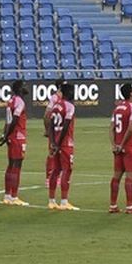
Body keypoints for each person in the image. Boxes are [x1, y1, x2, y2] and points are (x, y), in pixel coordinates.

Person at [109, 83, 132, 215]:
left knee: (116, 176)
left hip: (117, 148)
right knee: (130, 176)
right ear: (130, 93)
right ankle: (130, 207)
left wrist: (114, 144)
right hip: (128, 146)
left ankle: (113, 205)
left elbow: (111, 128)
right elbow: (130, 127)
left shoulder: (117, 108)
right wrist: (122, 144)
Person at [45, 81, 77, 211]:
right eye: (72, 91)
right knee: (66, 170)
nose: (73, 93)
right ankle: (64, 201)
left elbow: (51, 125)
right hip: (65, 143)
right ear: (67, 92)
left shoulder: (56, 106)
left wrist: (52, 142)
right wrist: (58, 143)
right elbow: (66, 126)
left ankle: (51, 201)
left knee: (56, 170)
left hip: (56, 141)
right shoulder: (70, 106)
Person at [0, 79, 30, 206]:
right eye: (24, 86)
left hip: (11, 136)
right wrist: (7, 135)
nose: (26, 87)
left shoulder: (11, 101)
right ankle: (14, 196)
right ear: (19, 88)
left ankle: (7, 195)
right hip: (17, 136)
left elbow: (8, 121)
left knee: (10, 165)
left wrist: (4, 134)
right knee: (17, 166)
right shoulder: (20, 102)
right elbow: (15, 120)